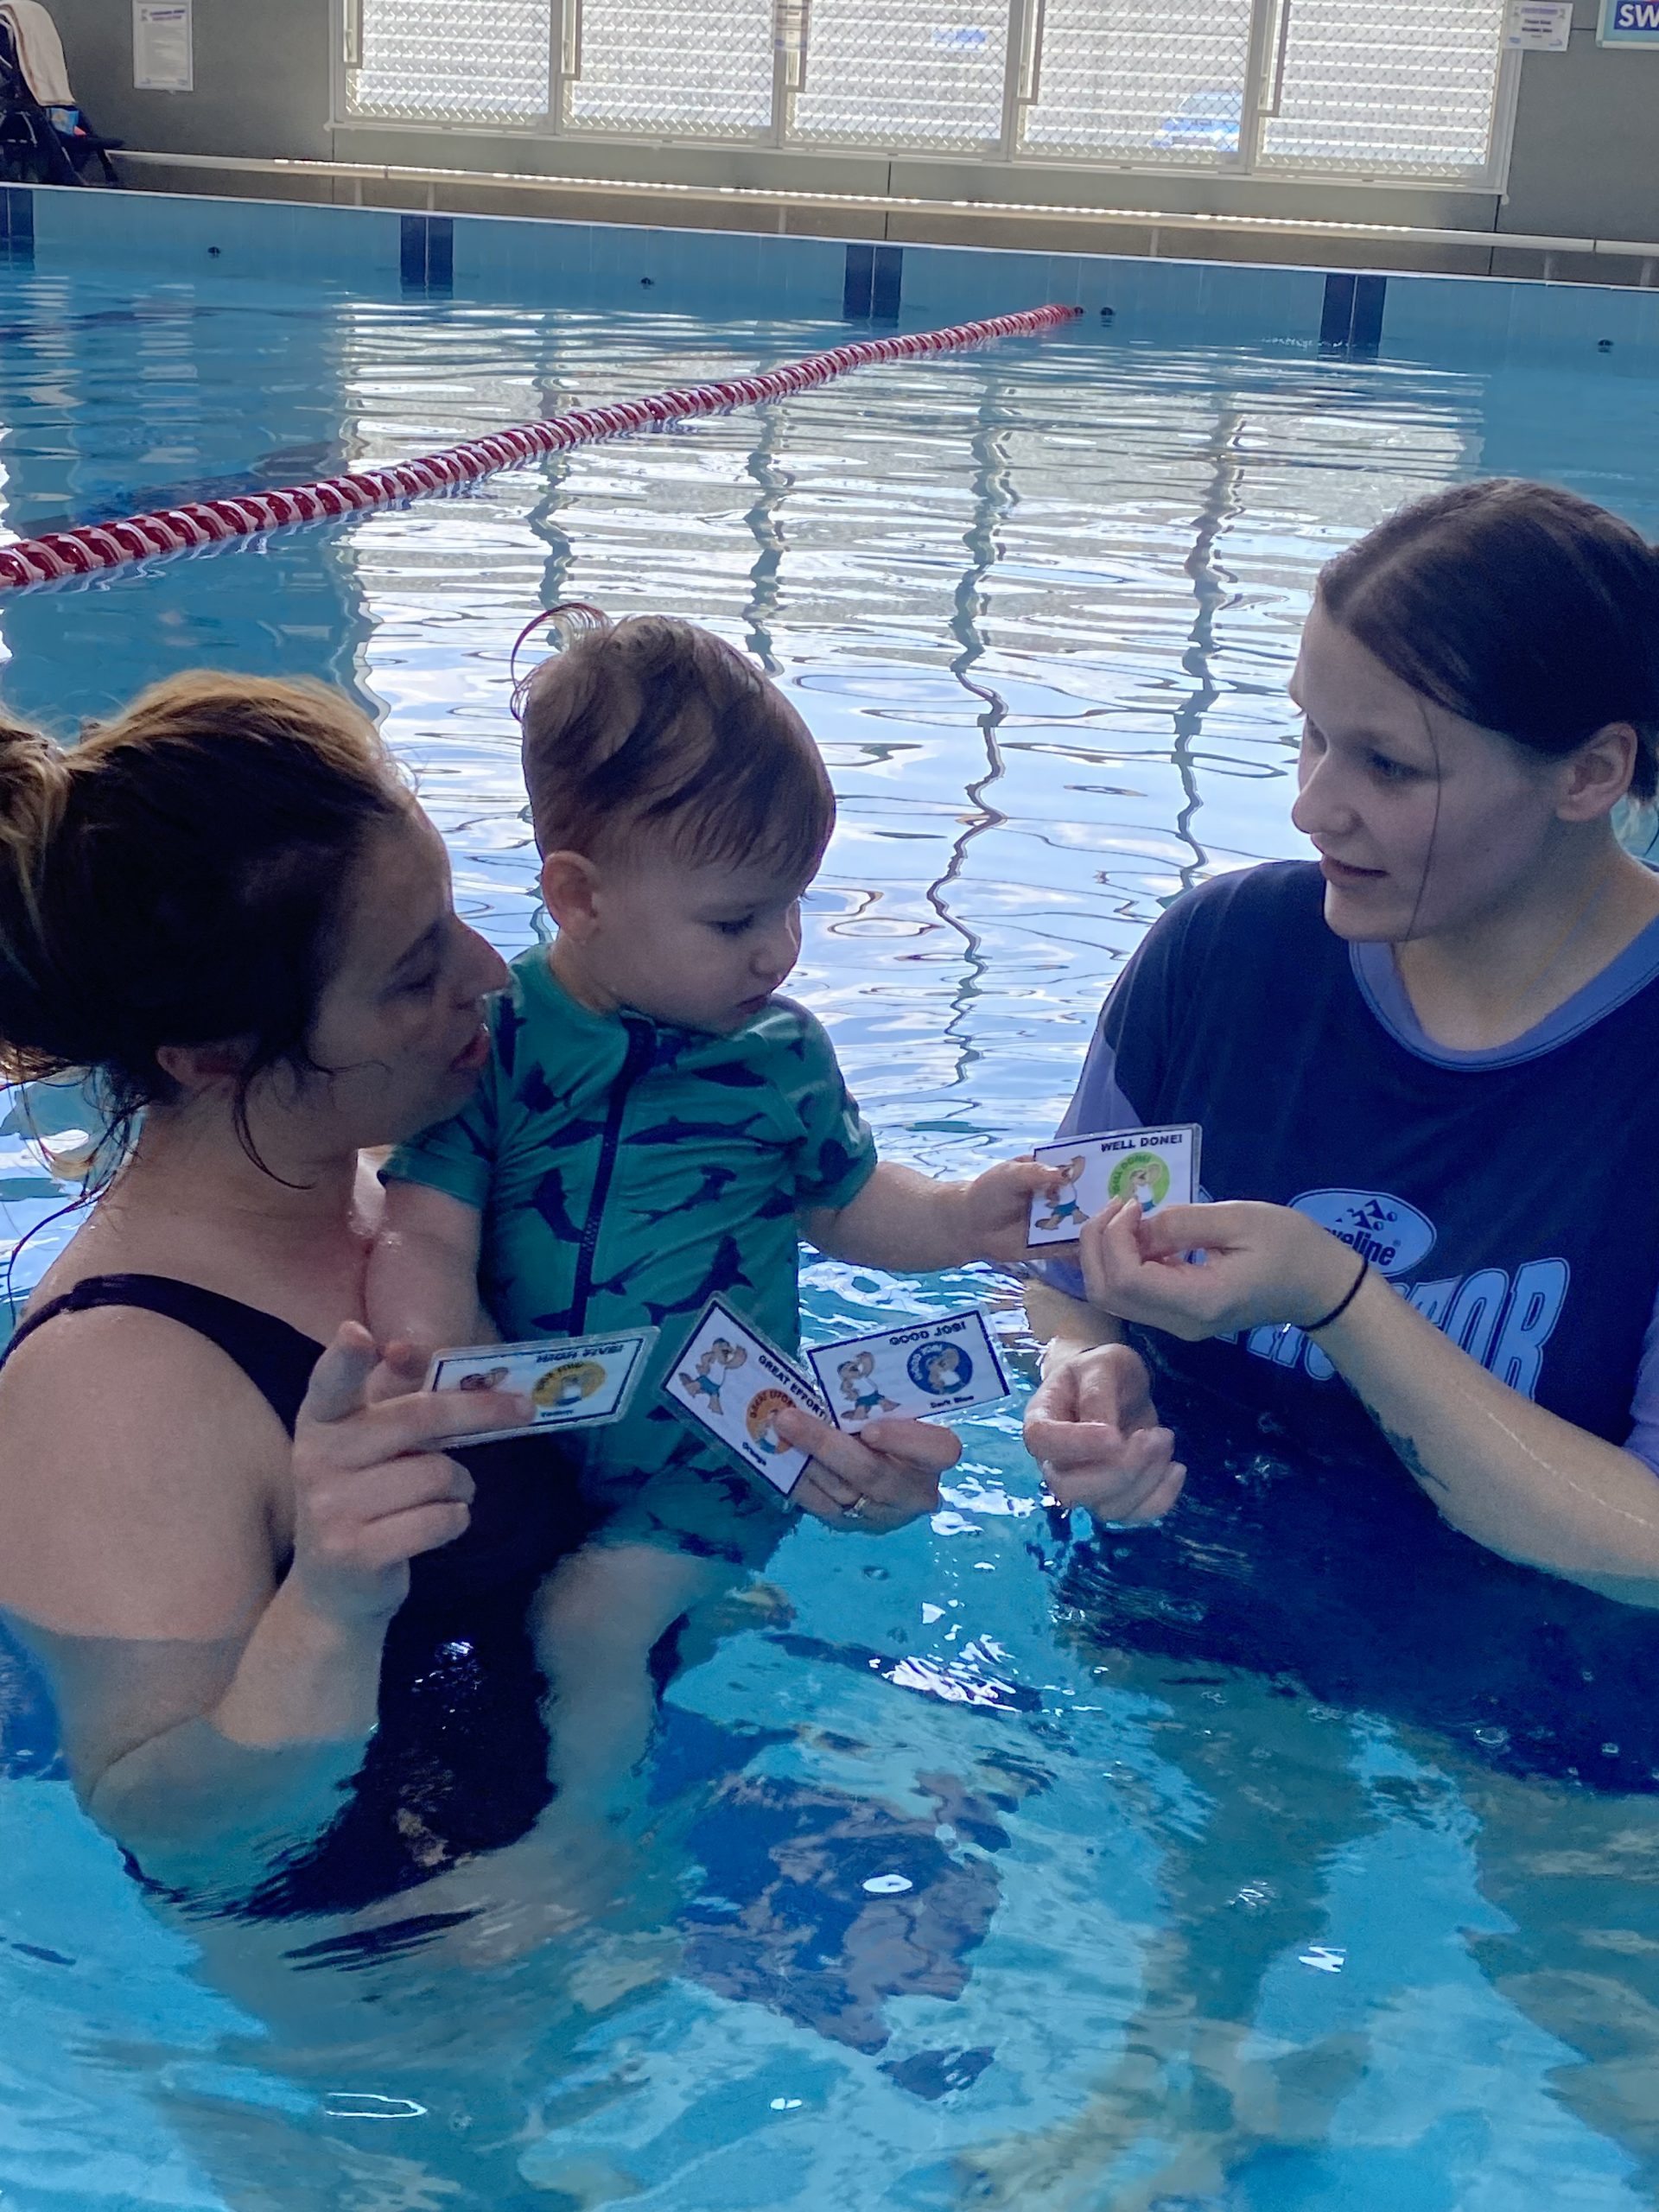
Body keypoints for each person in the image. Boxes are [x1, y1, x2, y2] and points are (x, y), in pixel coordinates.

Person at [0, 673, 953, 1904]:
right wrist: (332, 1603)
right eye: (411, 975)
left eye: (454, 914)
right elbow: (181, 1832)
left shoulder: (418, 1182)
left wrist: (814, 1468)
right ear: (215, 1056)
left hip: (620, 1803)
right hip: (421, 1972)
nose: (491, 977)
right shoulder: (115, 1384)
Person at [367, 613, 1056, 1814]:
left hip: (725, 1442)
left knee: (583, 1626)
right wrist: (440, 1354)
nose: (778, 951)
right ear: (580, 897)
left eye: (794, 906)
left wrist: (957, 1219)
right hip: (547, 1442)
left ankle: (589, 1851)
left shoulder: (780, 1058)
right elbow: (428, 1219)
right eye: (737, 920)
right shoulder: (503, 1044)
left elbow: (844, 1206)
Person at [1022, 478, 1659, 1611]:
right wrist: (1085, 1370)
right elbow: (1063, 1267)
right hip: (1191, 1598)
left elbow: (1645, 1551)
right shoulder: (1222, 953)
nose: (1314, 807)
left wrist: (1337, 1295)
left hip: (1535, 1699)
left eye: (1389, 766)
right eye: (1310, 733)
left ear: (1591, 773)